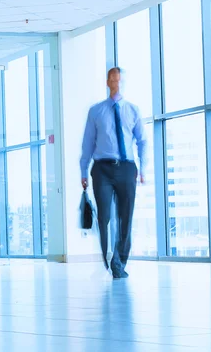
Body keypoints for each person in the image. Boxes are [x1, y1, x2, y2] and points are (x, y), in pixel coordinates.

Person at [80, 67, 147, 279]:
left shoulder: (133, 110)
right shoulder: (96, 111)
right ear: (107, 82)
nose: (116, 83)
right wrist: (83, 170)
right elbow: (88, 143)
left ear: (123, 82)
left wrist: (143, 168)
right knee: (105, 217)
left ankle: (119, 262)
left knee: (125, 217)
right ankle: (107, 256)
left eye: (119, 80)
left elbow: (142, 141)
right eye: (113, 80)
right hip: (102, 169)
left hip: (127, 167)